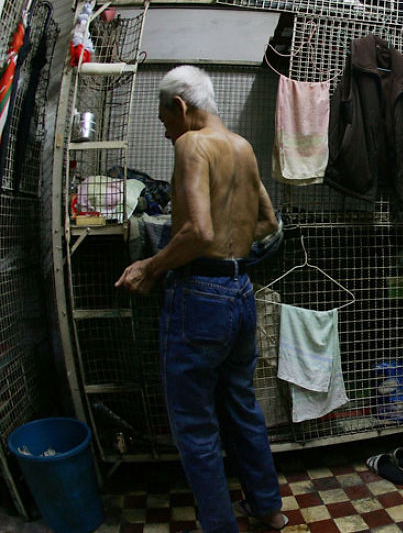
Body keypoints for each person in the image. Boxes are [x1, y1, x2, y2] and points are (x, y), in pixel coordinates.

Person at [115, 66, 287, 532]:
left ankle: (219, 525)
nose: (164, 128)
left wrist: (150, 266)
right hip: (240, 293)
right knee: (242, 406)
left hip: (200, 298)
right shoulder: (242, 147)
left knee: (194, 424)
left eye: (164, 117)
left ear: (182, 107)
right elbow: (269, 223)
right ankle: (269, 510)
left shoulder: (192, 145)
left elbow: (197, 231)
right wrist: (230, 249)